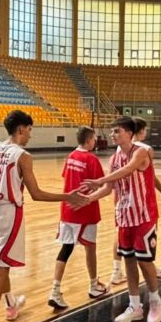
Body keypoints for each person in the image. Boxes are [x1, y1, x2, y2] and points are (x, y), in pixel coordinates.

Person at [0, 110, 86, 322]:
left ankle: (11, 304)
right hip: (9, 213)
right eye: (30, 130)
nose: (31, 135)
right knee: (0, 269)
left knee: (1, 264)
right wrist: (68, 197)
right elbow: (36, 194)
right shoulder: (23, 156)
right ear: (21, 129)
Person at [80, 117, 161, 322]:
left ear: (129, 133)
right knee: (128, 260)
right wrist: (88, 199)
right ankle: (135, 306)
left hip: (144, 215)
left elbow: (129, 169)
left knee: (144, 262)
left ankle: (156, 302)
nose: (112, 134)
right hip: (124, 216)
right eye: (112, 131)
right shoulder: (114, 158)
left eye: (117, 131)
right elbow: (109, 188)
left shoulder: (141, 152)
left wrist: (100, 180)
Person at [48, 126, 107, 310]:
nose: (95, 141)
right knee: (90, 248)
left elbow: (66, 177)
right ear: (89, 140)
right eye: (94, 138)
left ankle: (55, 290)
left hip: (67, 209)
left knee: (66, 249)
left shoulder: (71, 156)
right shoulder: (91, 159)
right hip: (84, 210)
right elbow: (102, 184)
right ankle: (94, 285)